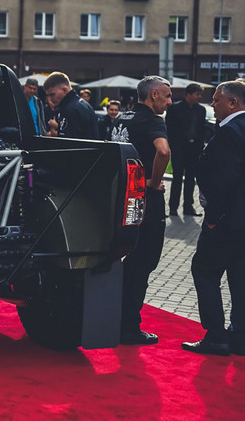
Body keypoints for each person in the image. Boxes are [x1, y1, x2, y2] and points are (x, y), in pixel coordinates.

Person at [181, 80, 245, 356]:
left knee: (205, 271)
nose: (212, 104)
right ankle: (240, 338)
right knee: (240, 278)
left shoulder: (230, 130)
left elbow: (224, 180)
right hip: (240, 222)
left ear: (233, 103)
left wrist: (212, 217)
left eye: (217, 100)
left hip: (226, 222)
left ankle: (216, 335)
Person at [109, 76, 172, 344]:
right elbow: (164, 151)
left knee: (124, 259)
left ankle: (114, 318)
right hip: (145, 201)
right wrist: (154, 182)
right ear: (154, 95)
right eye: (167, 96)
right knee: (143, 261)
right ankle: (129, 327)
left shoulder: (121, 118)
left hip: (119, 200)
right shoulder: (154, 121)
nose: (170, 101)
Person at [165, 83, 206, 217]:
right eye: (197, 94)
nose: (199, 97)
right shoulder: (174, 108)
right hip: (178, 149)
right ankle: (173, 207)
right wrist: (171, 147)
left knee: (190, 179)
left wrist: (200, 148)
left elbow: (202, 130)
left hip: (194, 150)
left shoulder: (201, 110)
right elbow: (169, 129)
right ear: (188, 94)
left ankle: (188, 207)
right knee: (177, 178)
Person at [43, 72, 99, 139]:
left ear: (64, 90)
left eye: (52, 94)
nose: (50, 99)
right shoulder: (83, 105)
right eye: (48, 95)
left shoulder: (70, 110)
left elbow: (69, 142)